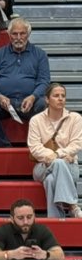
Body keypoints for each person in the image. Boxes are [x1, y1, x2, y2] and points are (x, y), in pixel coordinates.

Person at [0, 18, 50, 148]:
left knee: (42, 104)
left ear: (28, 34)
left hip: (30, 101)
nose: (18, 37)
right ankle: (4, 146)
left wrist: (33, 96)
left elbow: (44, 81)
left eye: (22, 33)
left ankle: (36, 146)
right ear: (9, 34)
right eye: (14, 34)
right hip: (4, 103)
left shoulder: (40, 54)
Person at [28, 83, 82, 219]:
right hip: (42, 167)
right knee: (57, 163)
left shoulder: (75, 118)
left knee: (51, 180)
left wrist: (57, 155)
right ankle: (73, 205)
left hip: (70, 167)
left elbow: (77, 143)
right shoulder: (36, 120)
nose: (60, 99)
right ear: (47, 99)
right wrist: (50, 156)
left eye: (63, 96)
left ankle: (55, 219)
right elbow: (34, 147)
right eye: (56, 96)